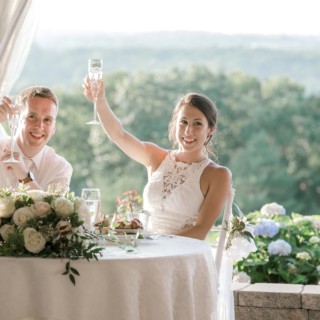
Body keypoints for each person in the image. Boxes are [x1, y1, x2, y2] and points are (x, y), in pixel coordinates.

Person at [83, 79, 232, 240]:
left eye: (197, 124)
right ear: (175, 124)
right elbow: (119, 135)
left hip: (180, 254)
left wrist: (159, 247)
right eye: (183, 122)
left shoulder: (218, 174)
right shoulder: (157, 157)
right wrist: (100, 100)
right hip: (145, 249)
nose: (188, 131)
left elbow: (200, 230)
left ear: (210, 130)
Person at [0, 86, 73, 191]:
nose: (39, 126)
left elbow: (52, 207)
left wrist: (25, 177)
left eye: (47, 120)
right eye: (32, 116)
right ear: (17, 119)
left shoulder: (60, 169)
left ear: (53, 128)